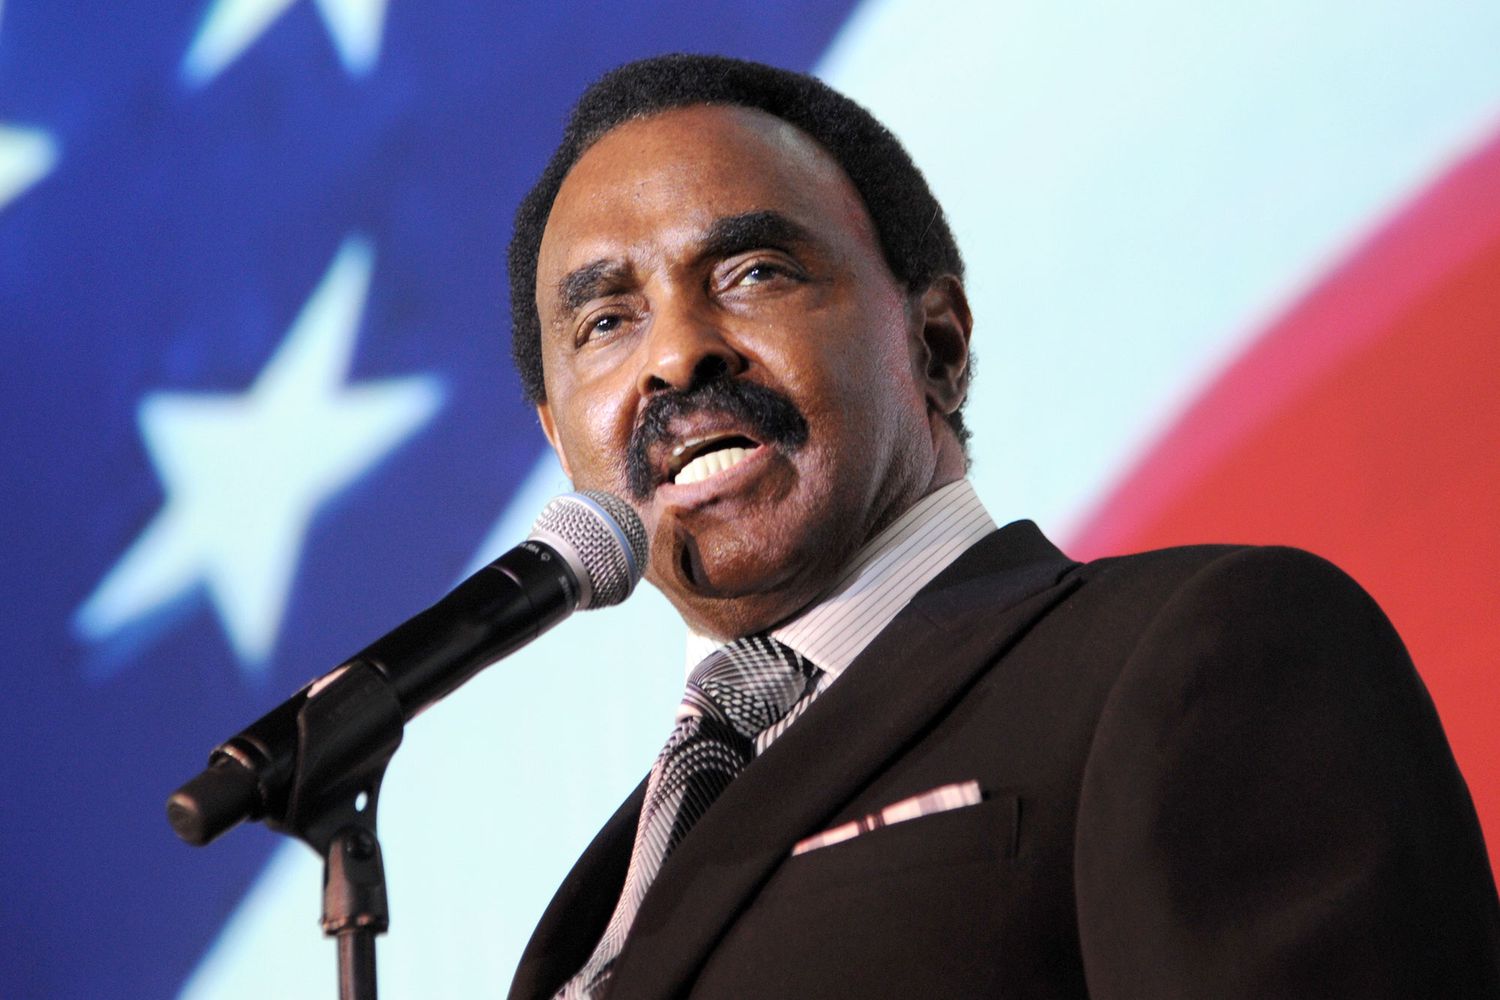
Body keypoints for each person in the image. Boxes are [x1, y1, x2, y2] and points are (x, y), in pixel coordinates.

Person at [503, 54, 1500, 999]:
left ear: (935, 341)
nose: (676, 356)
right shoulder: (609, 888)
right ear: (558, 437)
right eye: (604, 323)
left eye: (755, 272)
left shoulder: (1198, 647)